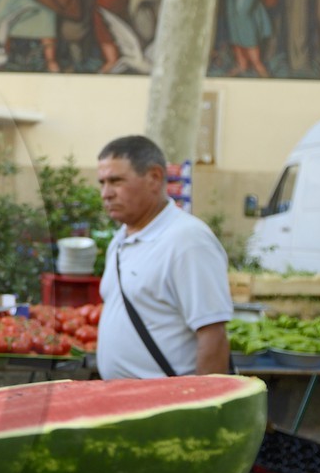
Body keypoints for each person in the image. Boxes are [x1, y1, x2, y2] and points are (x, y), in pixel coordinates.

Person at [96, 136, 232, 379]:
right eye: (102, 183)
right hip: (122, 403)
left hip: (169, 406)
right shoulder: (119, 240)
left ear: (154, 178)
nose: (106, 193)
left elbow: (212, 334)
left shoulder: (188, 241)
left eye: (116, 181)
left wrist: (203, 407)